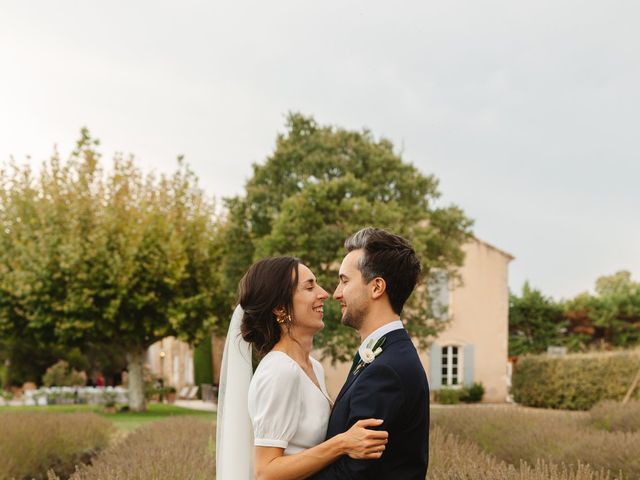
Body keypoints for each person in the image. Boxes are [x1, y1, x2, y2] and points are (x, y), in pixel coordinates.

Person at [216, 256, 389, 480]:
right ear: (279, 308)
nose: (324, 293)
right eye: (309, 287)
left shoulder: (313, 367)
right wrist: (342, 443)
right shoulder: (279, 371)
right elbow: (266, 471)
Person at [311, 227, 430, 479]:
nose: (336, 293)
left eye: (344, 281)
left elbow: (353, 474)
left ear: (376, 287)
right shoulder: (389, 355)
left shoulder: (386, 371)